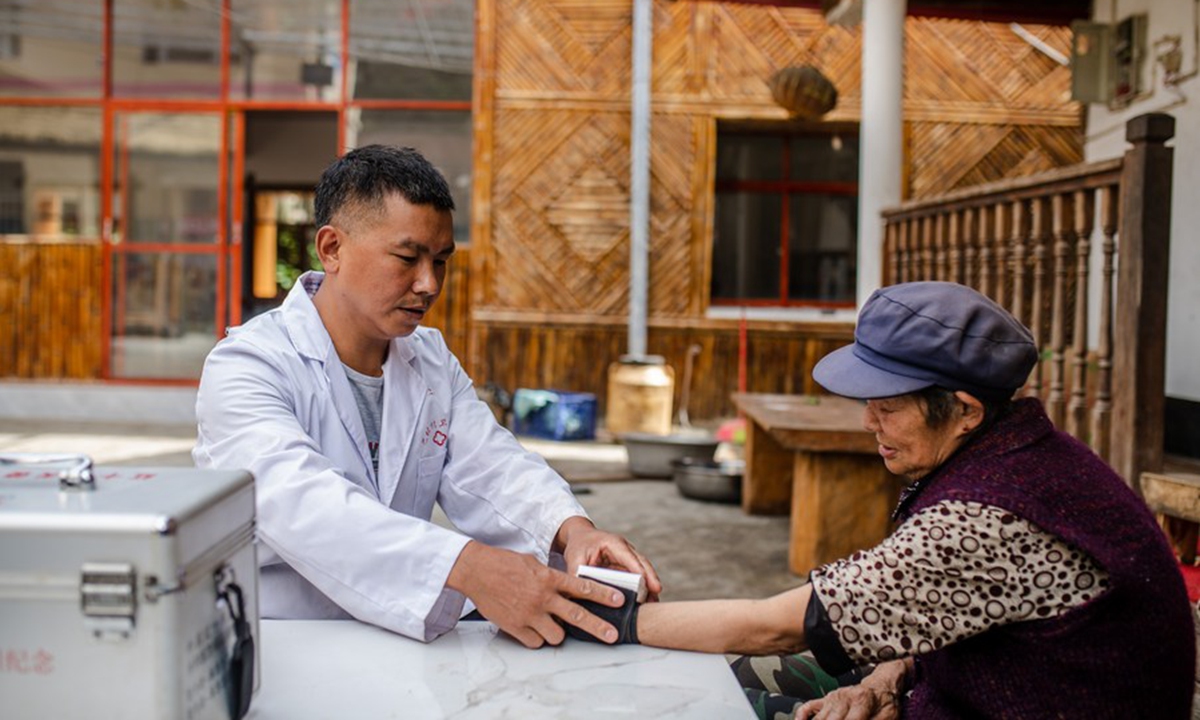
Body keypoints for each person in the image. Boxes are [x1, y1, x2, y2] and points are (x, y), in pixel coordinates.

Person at [571, 282, 1195, 719]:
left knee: (692, 703)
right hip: (963, 692)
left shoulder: (991, 514)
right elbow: (950, 614)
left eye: (889, 406)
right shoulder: (1020, 452)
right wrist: (886, 675)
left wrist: (604, 619)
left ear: (966, 411)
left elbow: (775, 626)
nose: (869, 421)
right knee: (714, 675)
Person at [194, 145, 660, 647]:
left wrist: (572, 530)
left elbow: (492, 466)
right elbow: (305, 506)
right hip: (281, 640)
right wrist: (468, 566)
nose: (428, 283)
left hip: (394, 640)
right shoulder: (249, 366)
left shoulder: (430, 360)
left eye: (440, 261)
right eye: (407, 257)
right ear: (332, 249)